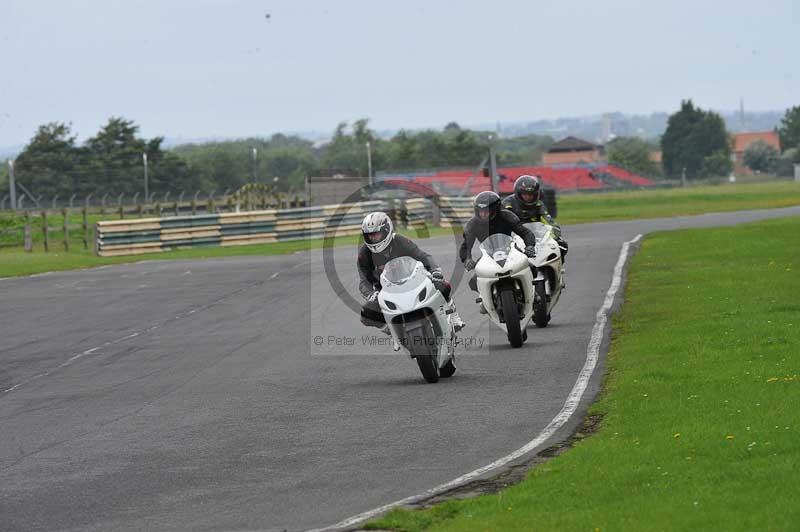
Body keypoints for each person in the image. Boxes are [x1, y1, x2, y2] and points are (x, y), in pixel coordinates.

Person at [358, 211, 464, 332]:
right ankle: (390, 330)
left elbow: (423, 256)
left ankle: (454, 315)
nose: (372, 238)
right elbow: (363, 281)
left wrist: (435, 271)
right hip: (385, 291)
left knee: (441, 283)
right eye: (369, 235)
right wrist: (371, 294)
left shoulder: (399, 240)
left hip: (413, 280)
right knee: (367, 314)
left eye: (376, 234)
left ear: (386, 230)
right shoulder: (364, 254)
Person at [459, 191, 537, 312]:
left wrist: (530, 246)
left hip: (510, 249)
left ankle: (533, 292)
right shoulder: (472, 224)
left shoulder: (507, 216)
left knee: (532, 267)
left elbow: (525, 232)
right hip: (487, 253)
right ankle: (484, 299)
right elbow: (465, 246)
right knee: (474, 280)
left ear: (495, 209)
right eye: (481, 211)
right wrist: (467, 259)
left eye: (486, 210)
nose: (483, 214)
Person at [501, 175, 568, 262]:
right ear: (518, 193)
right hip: (514, 237)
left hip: (536, 236)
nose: (528, 197)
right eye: (525, 194)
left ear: (536, 194)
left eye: (531, 194)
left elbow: (549, 221)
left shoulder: (539, 205)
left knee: (562, 245)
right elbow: (502, 223)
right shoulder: (507, 203)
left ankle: (557, 271)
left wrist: (556, 236)